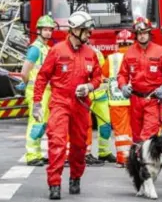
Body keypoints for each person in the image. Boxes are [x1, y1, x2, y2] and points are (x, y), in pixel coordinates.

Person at [33, 11, 101, 200]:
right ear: (76, 30)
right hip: (60, 102)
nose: (89, 35)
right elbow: (42, 77)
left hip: (80, 105)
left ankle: (75, 177)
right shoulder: (57, 51)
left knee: (80, 146)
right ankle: (54, 184)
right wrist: (37, 103)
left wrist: (89, 86)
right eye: (87, 31)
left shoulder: (91, 53)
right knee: (57, 143)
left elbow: (97, 77)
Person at [117, 16, 162, 143]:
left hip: (153, 99)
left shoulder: (160, 51)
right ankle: (140, 161)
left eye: (144, 33)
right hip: (135, 99)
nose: (142, 36)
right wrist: (123, 86)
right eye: (139, 33)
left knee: (148, 135)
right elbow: (122, 74)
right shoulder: (129, 52)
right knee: (137, 136)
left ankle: (148, 159)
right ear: (135, 35)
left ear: (149, 33)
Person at [21, 15, 55, 166]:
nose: (48, 32)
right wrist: (29, 85)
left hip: (45, 91)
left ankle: (38, 153)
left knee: (42, 123)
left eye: (50, 30)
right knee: (36, 122)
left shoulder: (46, 48)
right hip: (37, 91)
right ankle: (32, 155)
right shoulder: (35, 49)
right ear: (39, 30)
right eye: (45, 30)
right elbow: (24, 72)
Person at [102, 29, 134, 167]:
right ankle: (136, 157)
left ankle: (123, 159)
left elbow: (102, 77)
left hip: (116, 100)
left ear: (117, 44)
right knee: (135, 128)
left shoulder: (111, 58)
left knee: (121, 131)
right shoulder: (137, 56)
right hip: (135, 98)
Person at [87, 43, 116, 164]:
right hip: (86, 94)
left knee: (105, 124)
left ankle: (104, 152)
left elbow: (103, 72)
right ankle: (86, 153)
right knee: (85, 125)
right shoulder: (77, 53)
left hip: (100, 94)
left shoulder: (97, 53)